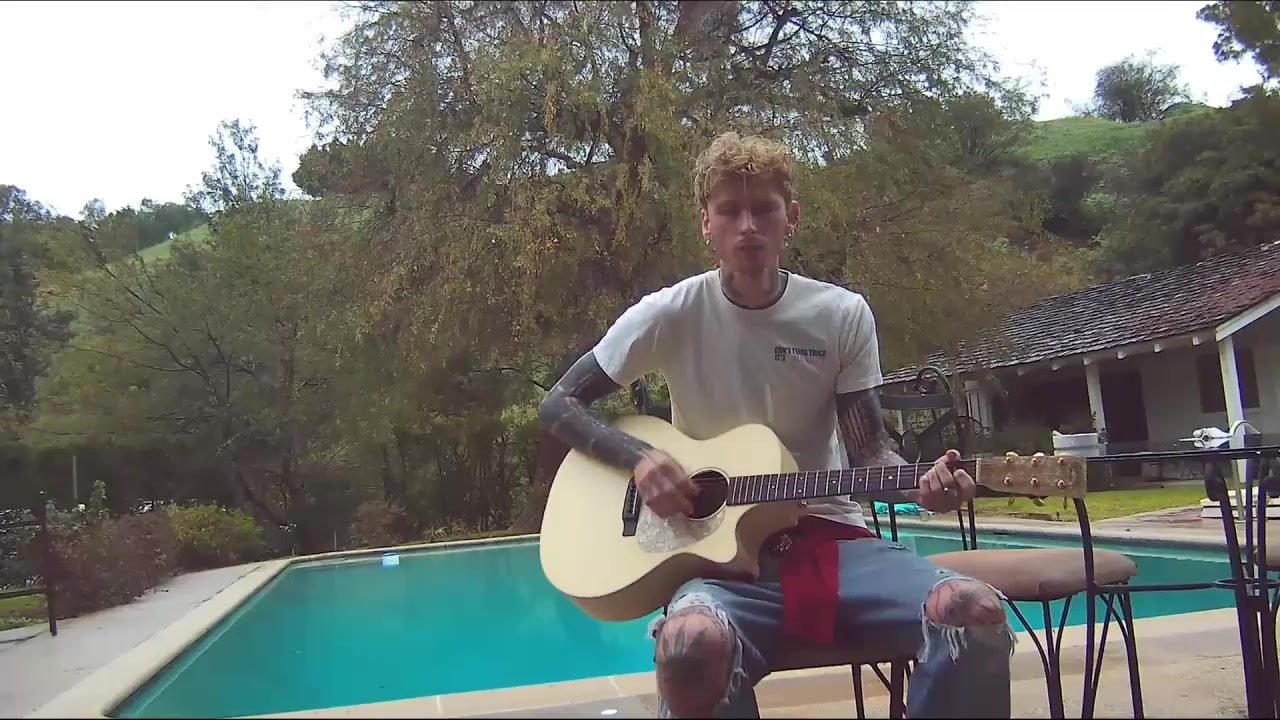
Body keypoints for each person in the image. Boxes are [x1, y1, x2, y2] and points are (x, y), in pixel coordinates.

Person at [538, 131, 1014, 718]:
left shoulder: (840, 315)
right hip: (718, 562)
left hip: (832, 537)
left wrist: (921, 484)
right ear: (706, 223)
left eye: (763, 209)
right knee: (689, 646)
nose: (747, 227)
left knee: (972, 612)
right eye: (729, 211)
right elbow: (560, 404)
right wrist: (639, 459)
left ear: (791, 218)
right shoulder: (669, 313)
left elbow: (869, 454)